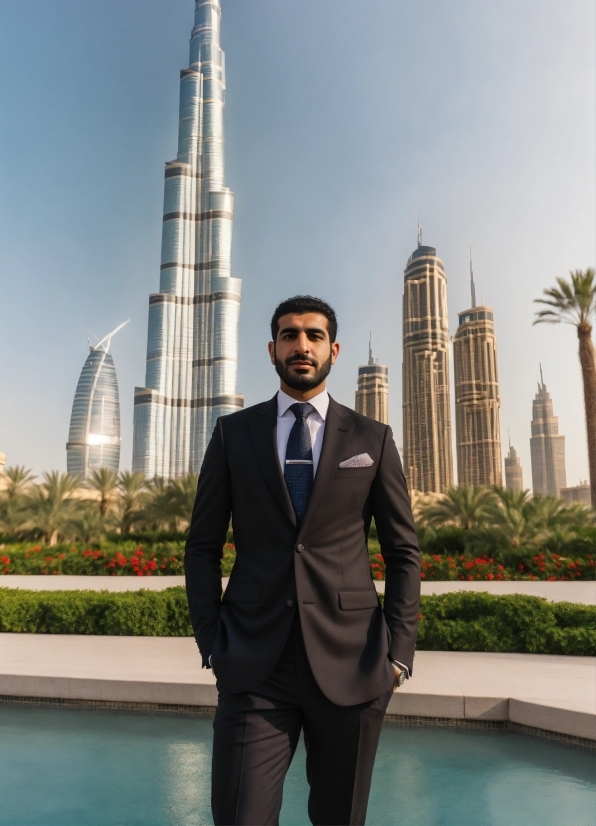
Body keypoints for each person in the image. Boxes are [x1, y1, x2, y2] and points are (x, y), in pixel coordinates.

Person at [185, 295, 420, 826]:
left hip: (354, 663)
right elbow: (201, 547)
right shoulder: (232, 434)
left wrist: (398, 654)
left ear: (332, 349)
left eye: (313, 336)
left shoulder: (372, 438)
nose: (301, 346)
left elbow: (403, 551)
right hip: (252, 663)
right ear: (272, 349)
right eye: (289, 335)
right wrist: (210, 638)